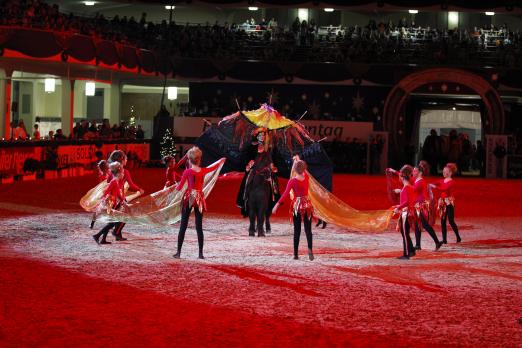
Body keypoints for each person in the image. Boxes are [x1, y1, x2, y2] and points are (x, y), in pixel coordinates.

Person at [173, 147, 225, 259]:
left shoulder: (187, 171)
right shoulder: (203, 170)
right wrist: (220, 161)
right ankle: (200, 254)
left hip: (189, 198)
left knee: (183, 225)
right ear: (199, 159)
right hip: (199, 199)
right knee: (199, 227)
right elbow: (213, 168)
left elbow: (179, 187)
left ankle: (178, 252)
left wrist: (174, 187)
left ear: (189, 160)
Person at [272, 156, 314, 261]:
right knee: (308, 230)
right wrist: (298, 160)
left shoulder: (292, 181)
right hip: (307, 205)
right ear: (304, 169)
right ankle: (310, 250)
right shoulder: (306, 177)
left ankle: (295, 254)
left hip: (297, 206)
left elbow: (286, 194)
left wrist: (276, 205)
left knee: (297, 231)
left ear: (295, 169)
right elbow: (303, 169)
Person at [107, 150, 145, 241]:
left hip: (113, 197)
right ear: (122, 160)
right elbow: (131, 185)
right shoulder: (125, 171)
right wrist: (139, 189)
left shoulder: (112, 170)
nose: (127, 160)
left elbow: (108, 181)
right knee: (126, 215)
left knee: (118, 215)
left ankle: (118, 235)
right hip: (120, 197)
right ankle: (116, 232)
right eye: (126, 159)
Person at [92, 162, 126, 245]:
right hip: (110, 203)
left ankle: (102, 238)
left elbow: (118, 195)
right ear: (118, 173)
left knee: (111, 222)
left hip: (113, 203)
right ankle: (97, 236)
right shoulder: (114, 181)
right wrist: (100, 200)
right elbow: (107, 191)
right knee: (113, 222)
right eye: (122, 173)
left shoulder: (116, 182)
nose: (123, 174)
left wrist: (123, 200)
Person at [412, 161, 442, 251]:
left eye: (415, 171)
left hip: (421, 205)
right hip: (418, 205)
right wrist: (394, 171)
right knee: (418, 224)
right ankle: (418, 245)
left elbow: (413, 190)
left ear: (420, 173)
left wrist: (401, 190)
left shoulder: (420, 181)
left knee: (424, 224)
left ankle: (437, 242)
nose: (413, 173)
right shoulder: (417, 180)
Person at [430, 163, 461, 244]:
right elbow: (433, 183)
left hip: (449, 202)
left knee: (451, 220)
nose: (443, 172)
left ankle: (458, 236)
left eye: (445, 171)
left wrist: (434, 187)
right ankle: (444, 239)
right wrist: (429, 185)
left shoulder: (451, 182)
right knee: (443, 221)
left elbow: (444, 188)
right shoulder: (442, 180)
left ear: (450, 173)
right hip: (442, 202)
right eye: (443, 171)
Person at [393, 165, 416, 260]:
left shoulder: (406, 188)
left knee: (405, 233)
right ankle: (411, 250)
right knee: (405, 232)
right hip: (409, 212)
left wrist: (399, 206)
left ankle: (406, 254)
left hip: (406, 213)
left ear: (402, 176)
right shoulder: (408, 187)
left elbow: (406, 202)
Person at [90, 160, 111, 229]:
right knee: (98, 209)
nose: (108, 168)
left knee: (109, 207)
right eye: (106, 167)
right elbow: (102, 186)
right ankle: (92, 223)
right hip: (104, 193)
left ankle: (109, 223)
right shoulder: (102, 176)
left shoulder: (108, 174)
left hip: (108, 193)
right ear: (104, 168)